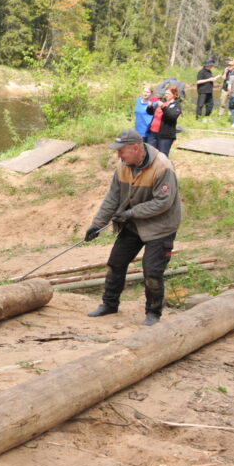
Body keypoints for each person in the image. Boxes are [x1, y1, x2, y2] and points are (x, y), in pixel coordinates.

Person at [84, 129, 181, 327]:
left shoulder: (162, 167)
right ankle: (109, 304)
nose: (118, 155)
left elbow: (163, 202)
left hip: (160, 227)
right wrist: (97, 224)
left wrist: (131, 213)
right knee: (115, 263)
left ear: (136, 148)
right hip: (134, 224)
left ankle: (153, 313)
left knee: (152, 271)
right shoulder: (123, 166)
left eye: (121, 151)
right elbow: (112, 197)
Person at [144, 85, 181, 156]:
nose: (166, 95)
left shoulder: (176, 105)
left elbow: (172, 117)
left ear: (174, 95)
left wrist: (163, 107)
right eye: (166, 93)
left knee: (162, 155)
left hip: (165, 135)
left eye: (168, 94)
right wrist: (150, 106)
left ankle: (164, 167)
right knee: (150, 154)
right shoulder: (162, 101)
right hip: (153, 132)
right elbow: (150, 112)